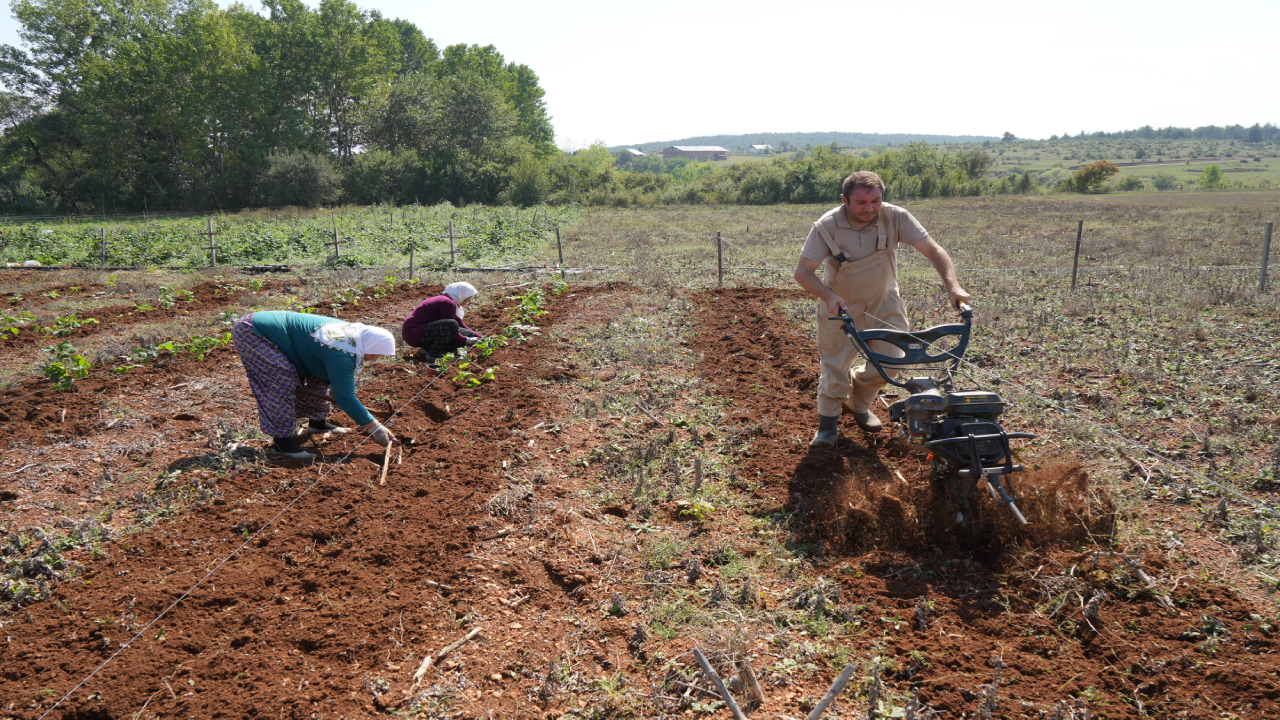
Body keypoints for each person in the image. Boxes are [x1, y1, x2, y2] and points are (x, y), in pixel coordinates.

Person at [793, 171, 971, 448]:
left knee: (893, 360)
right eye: (861, 203)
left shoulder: (896, 217)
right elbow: (803, 272)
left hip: (885, 302)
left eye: (875, 201)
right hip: (840, 306)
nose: (870, 209)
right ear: (845, 201)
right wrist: (828, 295)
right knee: (835, 368)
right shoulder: (826, 227)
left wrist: (953, 286)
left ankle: (859, 404)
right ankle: (827, 426)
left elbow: (934, 250)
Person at [231, 311, 398, 459]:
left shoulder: (354, 338)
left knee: (317, 377)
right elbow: (345, 398)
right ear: (369, 344)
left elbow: (319, 359)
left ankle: (317, 424)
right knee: (281, 379)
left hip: (276, 333)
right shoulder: (343, 353)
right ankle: (282, 444)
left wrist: (334, 385)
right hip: (253, 332)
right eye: (376, 353)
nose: (375, 359)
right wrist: (375, 428)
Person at [402, 282, 483, 360]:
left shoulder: (449, 301)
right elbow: (450, 326)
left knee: (468, 333)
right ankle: (433, 355)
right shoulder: (447, 303)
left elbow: (460, 325)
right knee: (452, 325)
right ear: (462, 294)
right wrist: (467, 340)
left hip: (422, 332)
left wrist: (482, 338)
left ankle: (427, 350)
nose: (469, 300)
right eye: (469, 297)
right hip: (413, 334)